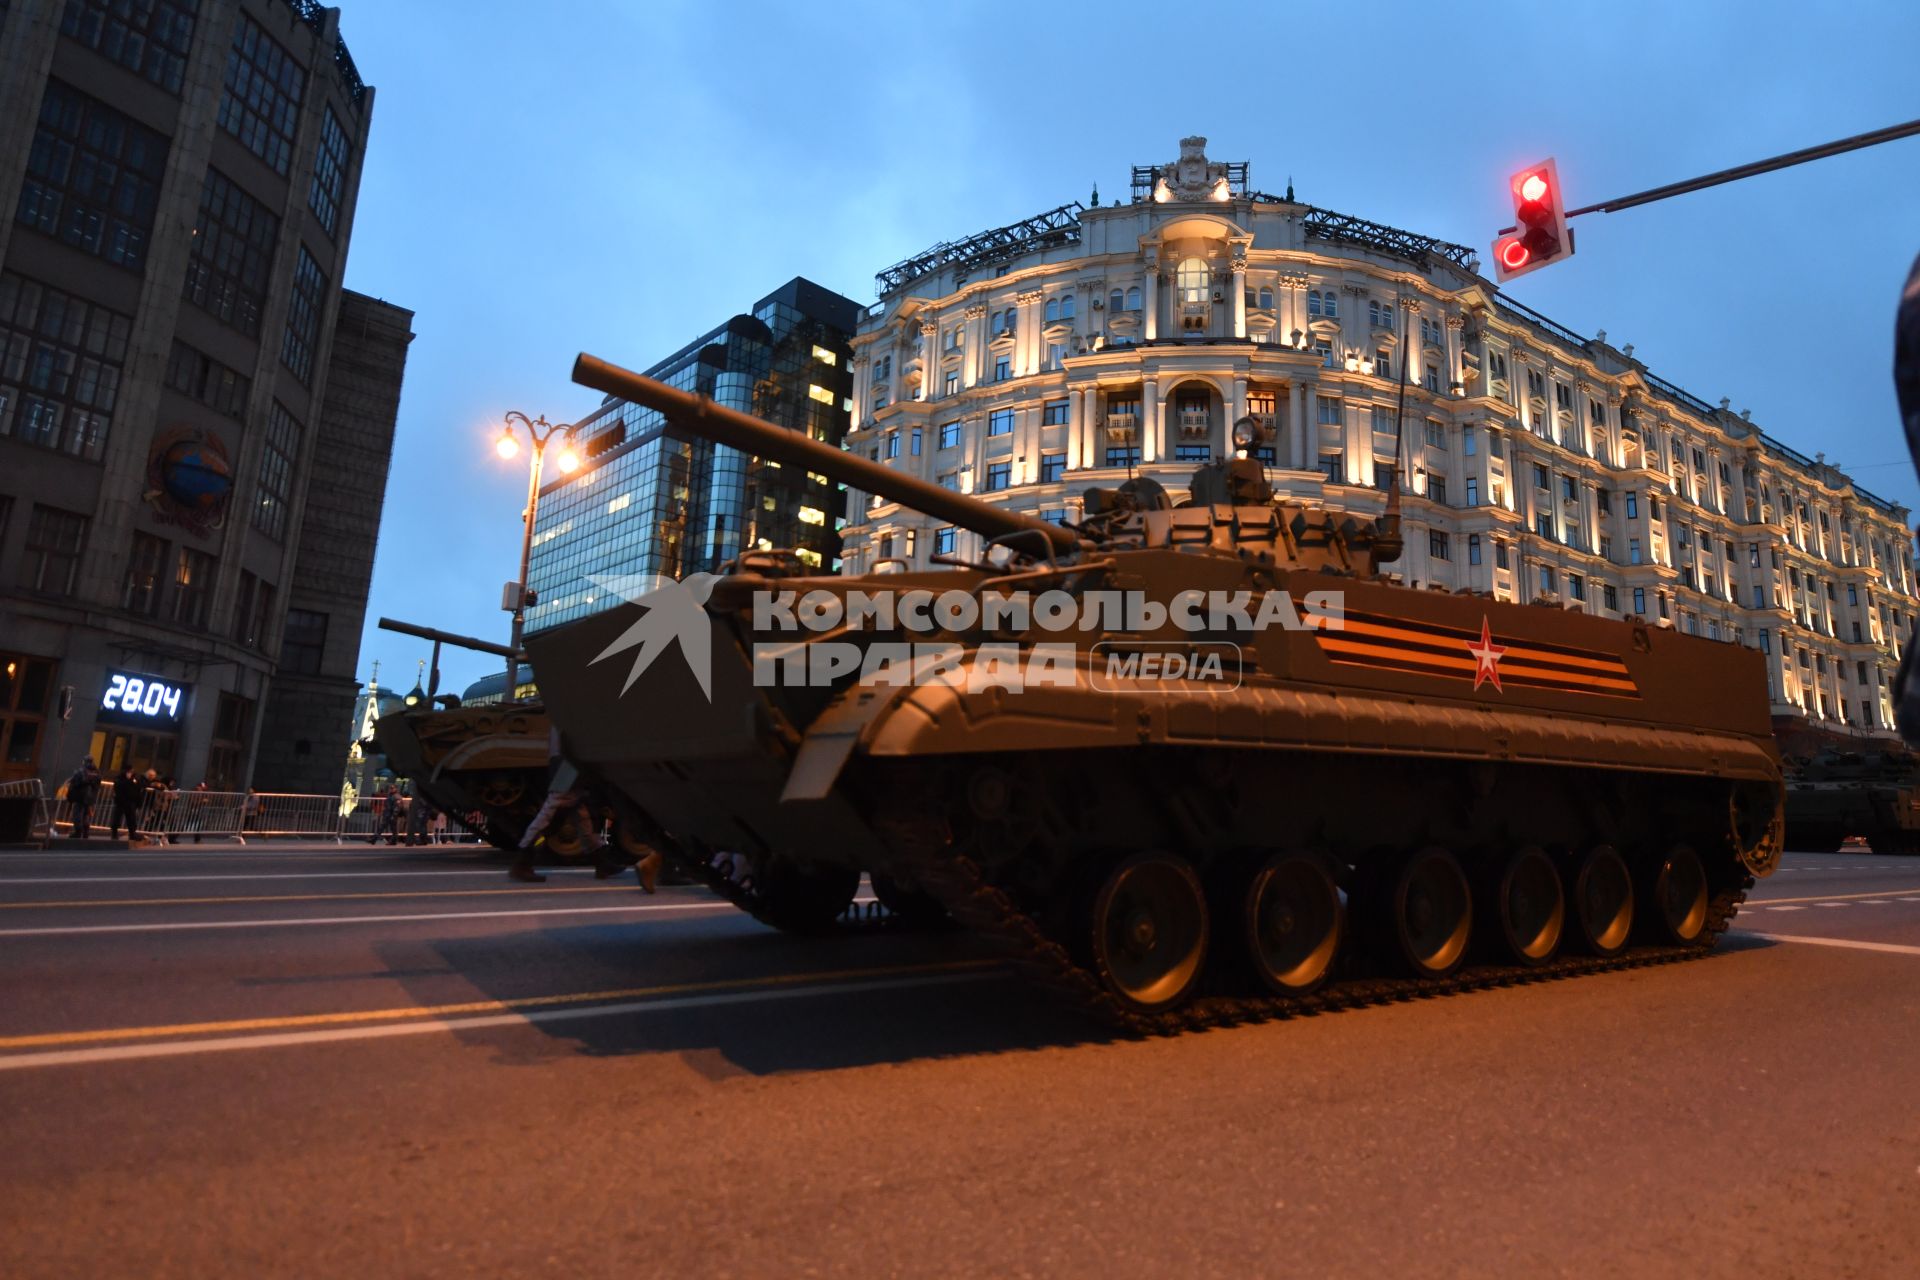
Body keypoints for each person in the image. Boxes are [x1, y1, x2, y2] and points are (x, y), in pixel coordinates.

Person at [65, 756, 101, 839]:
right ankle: (86, 832)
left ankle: (78, 831)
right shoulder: (96, 772)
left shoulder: (81, 771)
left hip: (80, 796)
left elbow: (75, 782)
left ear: (84, 762)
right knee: (86, 815)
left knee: (77, 814)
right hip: (90, 797)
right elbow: (98, 784)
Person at [109, 765, 147, 843]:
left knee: (131, 819)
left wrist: (138, 802)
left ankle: (132, 834)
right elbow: (119, 786)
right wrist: (129, 781)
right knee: (117, 818)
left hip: (130, 802)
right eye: (129, 772)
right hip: (121, 801)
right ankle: (114, 833)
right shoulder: (119, 778)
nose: (131, 773)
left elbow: (139, 786)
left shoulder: (134, 778)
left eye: (132, 772)